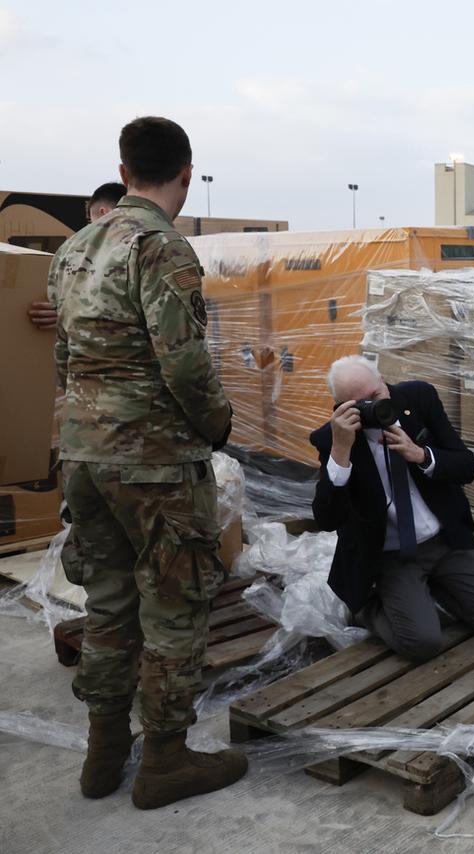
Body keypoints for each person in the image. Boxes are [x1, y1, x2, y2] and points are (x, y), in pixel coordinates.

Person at [53, 117, 244, 809]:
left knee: (107, 601)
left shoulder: (75, 247)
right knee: (175, 602)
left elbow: (65, 360)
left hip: (83, 451)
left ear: (124, 168)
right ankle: (163, 758)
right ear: (185, 175)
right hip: (154, 461)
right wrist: (218, 424)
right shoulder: (162, 247)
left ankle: (103, 756)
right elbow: (184, 362)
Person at [310, 355, 474, 661]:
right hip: (391, 555)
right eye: (362, 405)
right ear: (342, 408)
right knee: (423, 644)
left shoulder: (418, 398)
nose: (377, 409)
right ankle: (368, 608)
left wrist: (422, 455)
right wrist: (340, 451)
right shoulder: (334, 438)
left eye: (378, 396)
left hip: (443, 540)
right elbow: (326, 518)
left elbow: (466, 466)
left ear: (383, 381)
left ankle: (431, 591)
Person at [28, 181, 127, 331]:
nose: (91, 232)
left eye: (92, 223)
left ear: (104, 213)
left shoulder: (73, 250)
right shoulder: (148, 246)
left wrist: (69, 315)